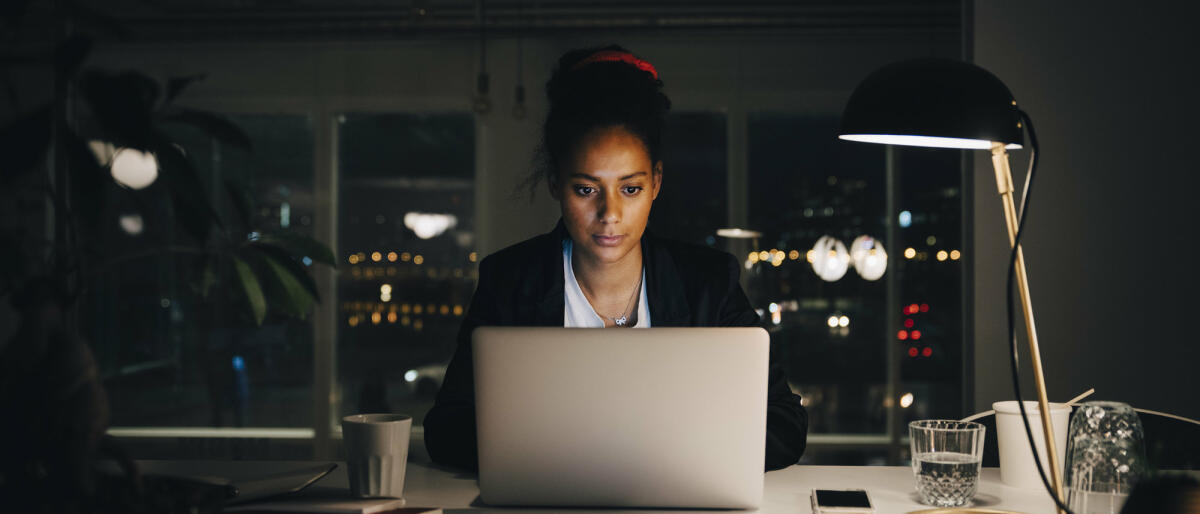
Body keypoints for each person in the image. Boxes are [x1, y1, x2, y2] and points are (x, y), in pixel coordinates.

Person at [423, 45, 808, 471]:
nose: (609, 214)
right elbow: (446, 431)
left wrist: (663, 452)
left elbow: (786, 426)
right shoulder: (510, 280)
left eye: (630, 189)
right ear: (555, 183)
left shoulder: (708, 282)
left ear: (656, 183)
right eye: (586, 189)